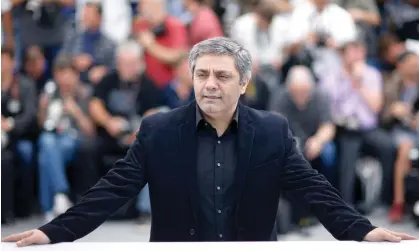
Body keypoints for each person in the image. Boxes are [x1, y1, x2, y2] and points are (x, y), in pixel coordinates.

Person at [2, 37, 417, 247]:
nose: (210, 85)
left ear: (245, 82)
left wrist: (363, 231)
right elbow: (110, 192)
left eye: (222, 76)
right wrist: (52, 233)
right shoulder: (158, 131)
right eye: (202, 75)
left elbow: (315, 191)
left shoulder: (272, 131)